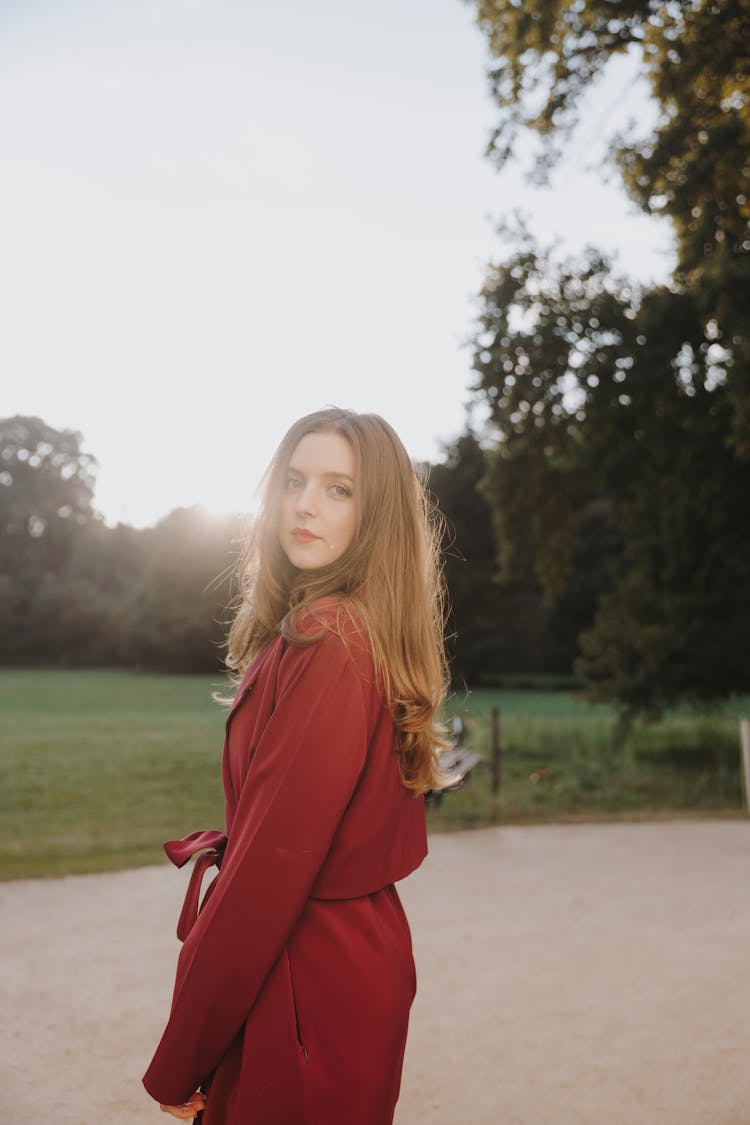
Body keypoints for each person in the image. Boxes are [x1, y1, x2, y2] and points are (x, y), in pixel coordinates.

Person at [142, 408, 449, 1124]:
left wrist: (181, 1053)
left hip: (308, 980)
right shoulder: (340, 629)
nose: (305, 504)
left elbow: (264, 878)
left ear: (376, 516)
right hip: (332, 969)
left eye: (340, 489)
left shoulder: (331, 639)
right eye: (294, 480)